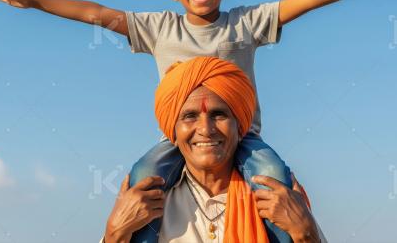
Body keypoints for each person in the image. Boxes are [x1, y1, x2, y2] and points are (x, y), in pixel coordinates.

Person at [0, 0, 397, 241]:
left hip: (244, 138)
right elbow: (96, 13)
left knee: (275, 184)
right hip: (176, 141)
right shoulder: (158, 28)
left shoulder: (246, 22)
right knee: (139, 182)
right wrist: (32, 1)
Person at [102, 56, 325, 243]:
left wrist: (305, 233)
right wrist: (114, 233)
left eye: (219, 115)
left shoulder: (278, 201)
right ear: (173, 130)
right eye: (190, 116)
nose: (206, 130)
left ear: (240, 126)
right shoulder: (147, 202)